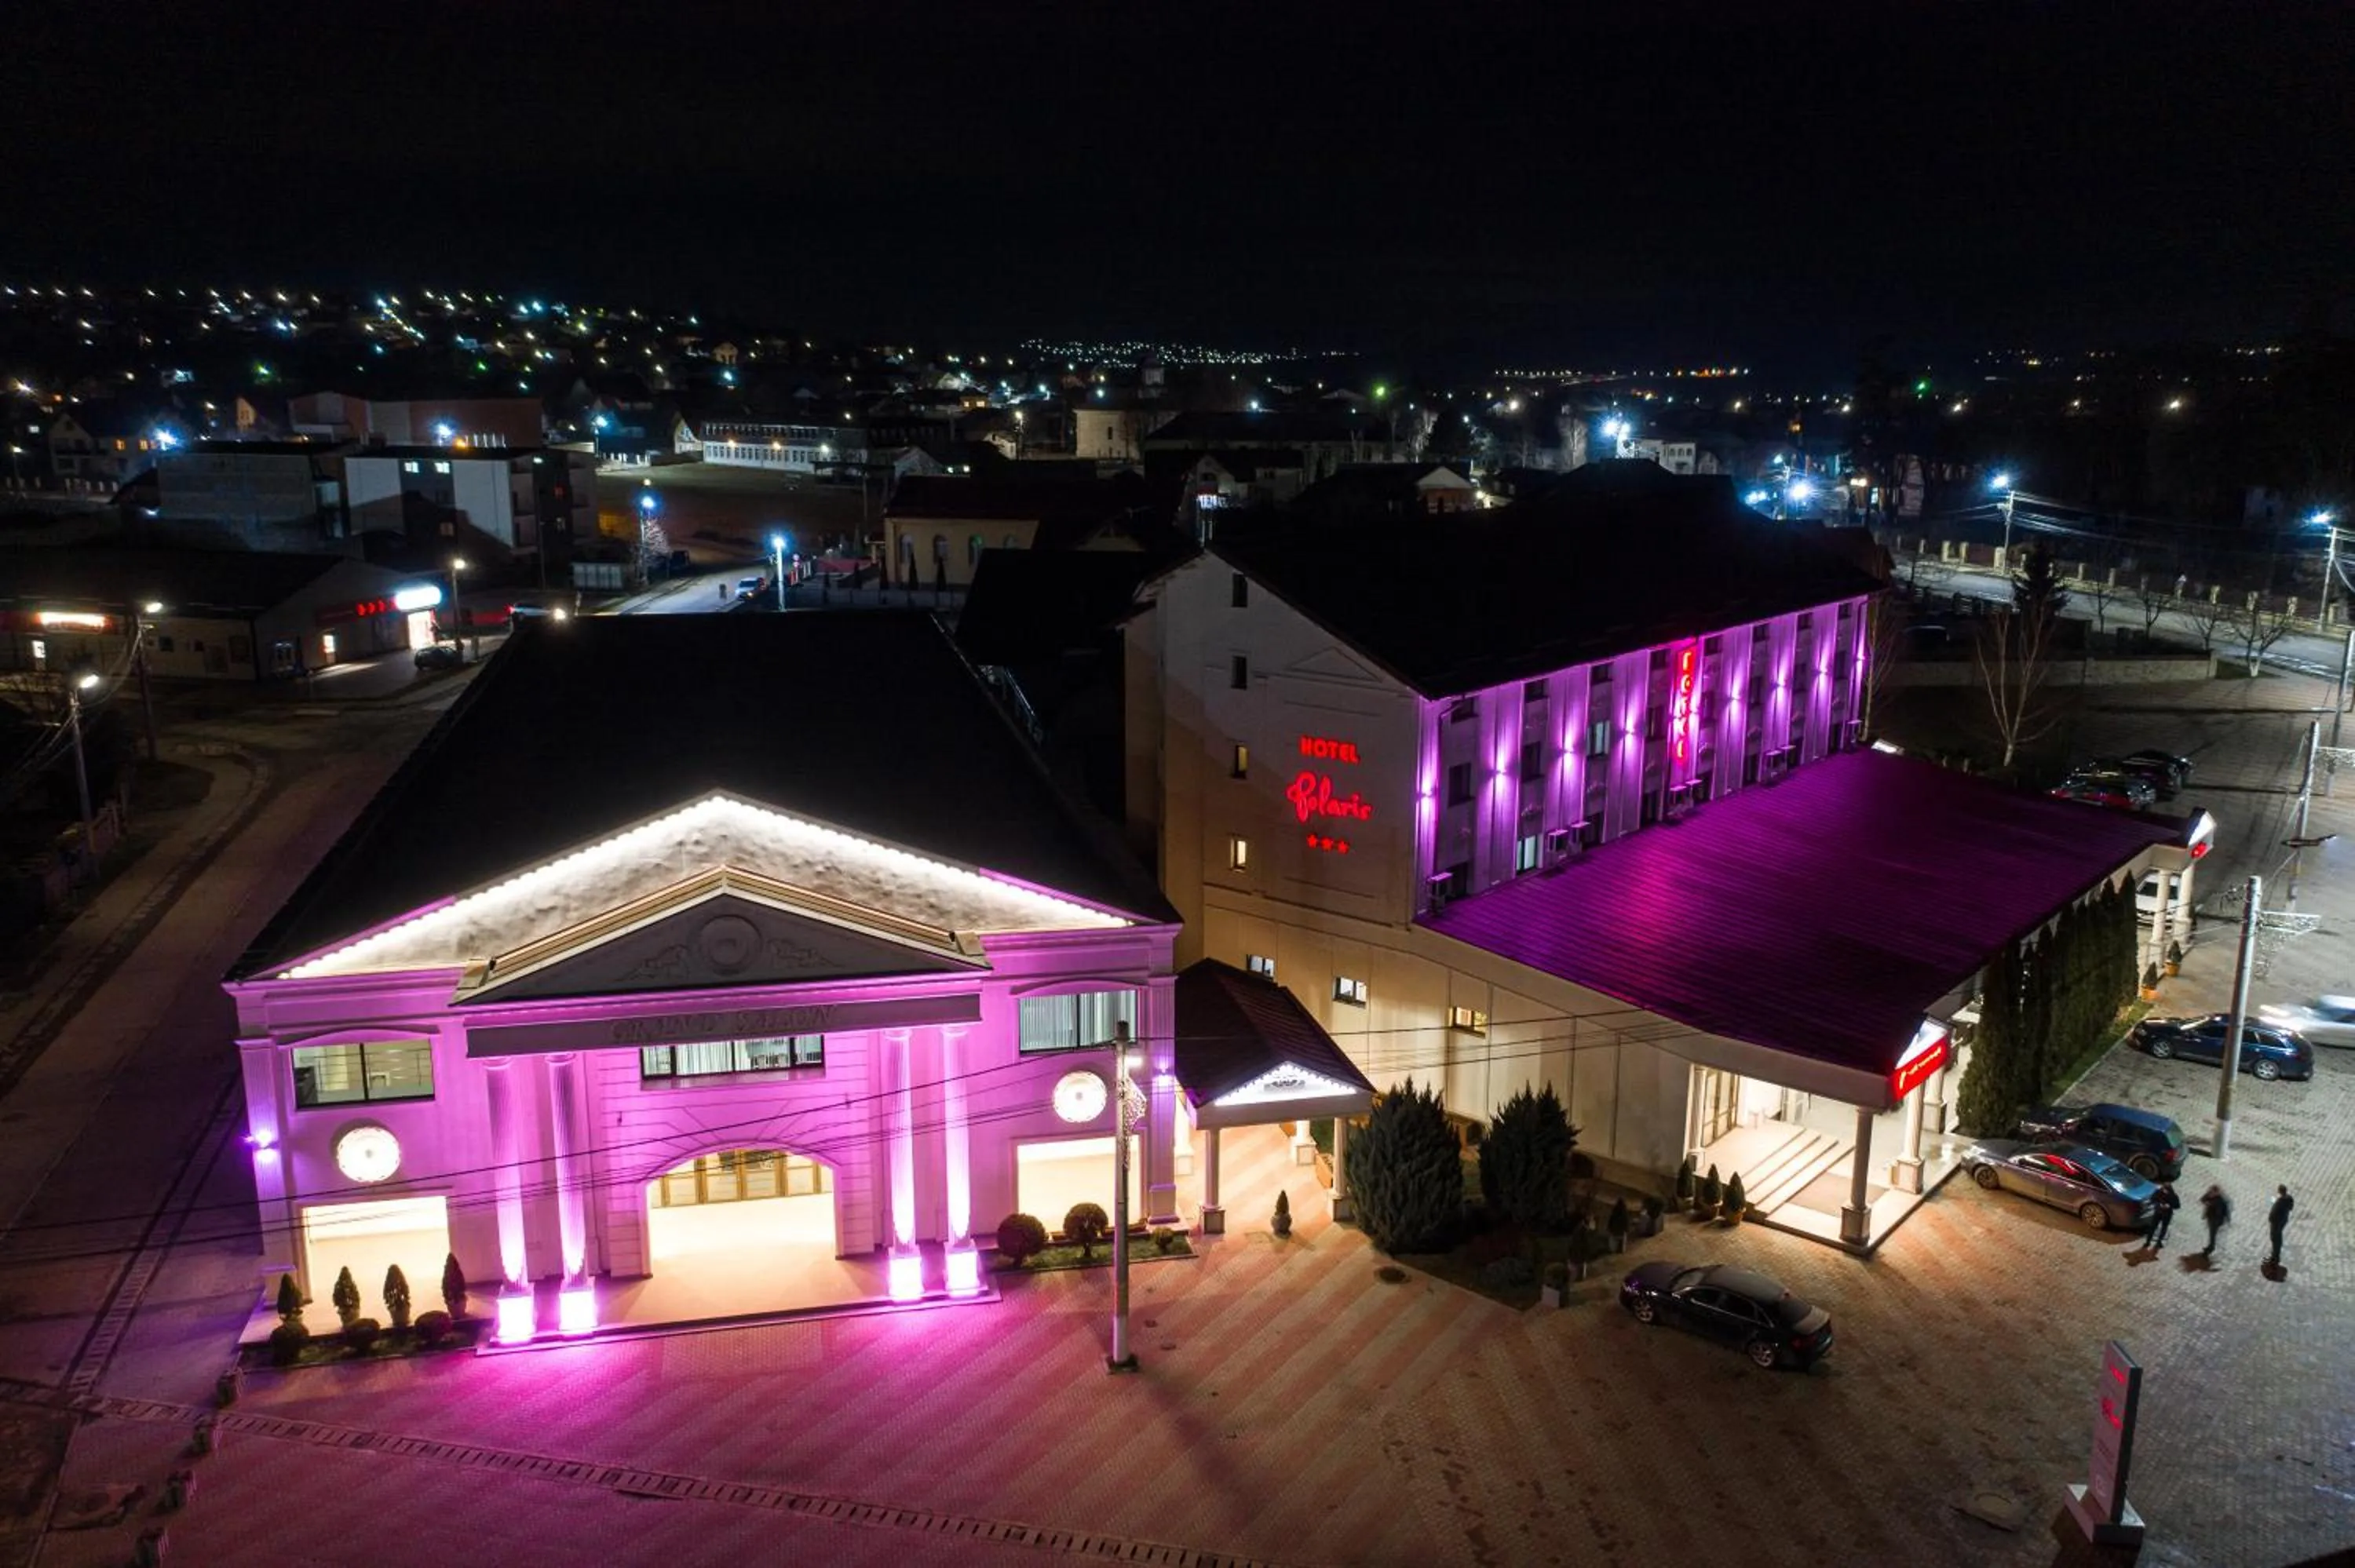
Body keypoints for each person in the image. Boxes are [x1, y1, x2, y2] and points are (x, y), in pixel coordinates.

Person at [2199, 1184, 2231, 1257]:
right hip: (2211, 1218)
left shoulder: (2220, 1200)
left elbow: (2223, 1212)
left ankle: (2210, 1248)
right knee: (2212, 1234)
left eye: (2212, 1192)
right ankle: (2210, 1246)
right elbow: (2202, 1199)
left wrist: (2225, 1220)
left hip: (2216, 1220)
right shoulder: (2210, 1197)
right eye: (2210, 1192)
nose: (2211, 1193)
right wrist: (2208, 1195)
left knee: (2213, 1235)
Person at [2146, 1182, 2180, 1249]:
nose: (2165, 1191)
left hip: (2167, 1214)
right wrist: (2159, 1204)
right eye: (2164, 1189)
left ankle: (2159, 1242)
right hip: (2158, 1212)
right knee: (2153, 1227)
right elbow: (2152, 1199)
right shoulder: (2158, 1192)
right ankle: (2148, 1241)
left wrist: (2170, 1206)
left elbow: (2177, 1206)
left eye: (2166, 1190)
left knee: (2164, 1228)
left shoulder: (2174, 1196)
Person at [2268, 1185, 2295, 1268]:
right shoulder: (2289, 1199)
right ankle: (2275, 1255)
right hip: (2282, 1221)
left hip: (2276, 1222)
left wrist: (2271, 1218)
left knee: (2275, 1238)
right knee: (2278, 1237)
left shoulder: (2280, 1202)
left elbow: (2274, 1213)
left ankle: (2275, 1257)